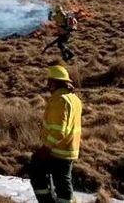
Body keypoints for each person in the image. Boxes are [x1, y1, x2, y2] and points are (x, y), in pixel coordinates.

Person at [29, 65, 83, 203]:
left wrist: (46, 148)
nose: (48, 85)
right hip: (69, 149)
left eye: (49, 82)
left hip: (58, 150)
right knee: (63, 182)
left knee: (41, 173)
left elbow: (59, 130)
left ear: (54, 82)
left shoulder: (60, 101)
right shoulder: (74, 99)